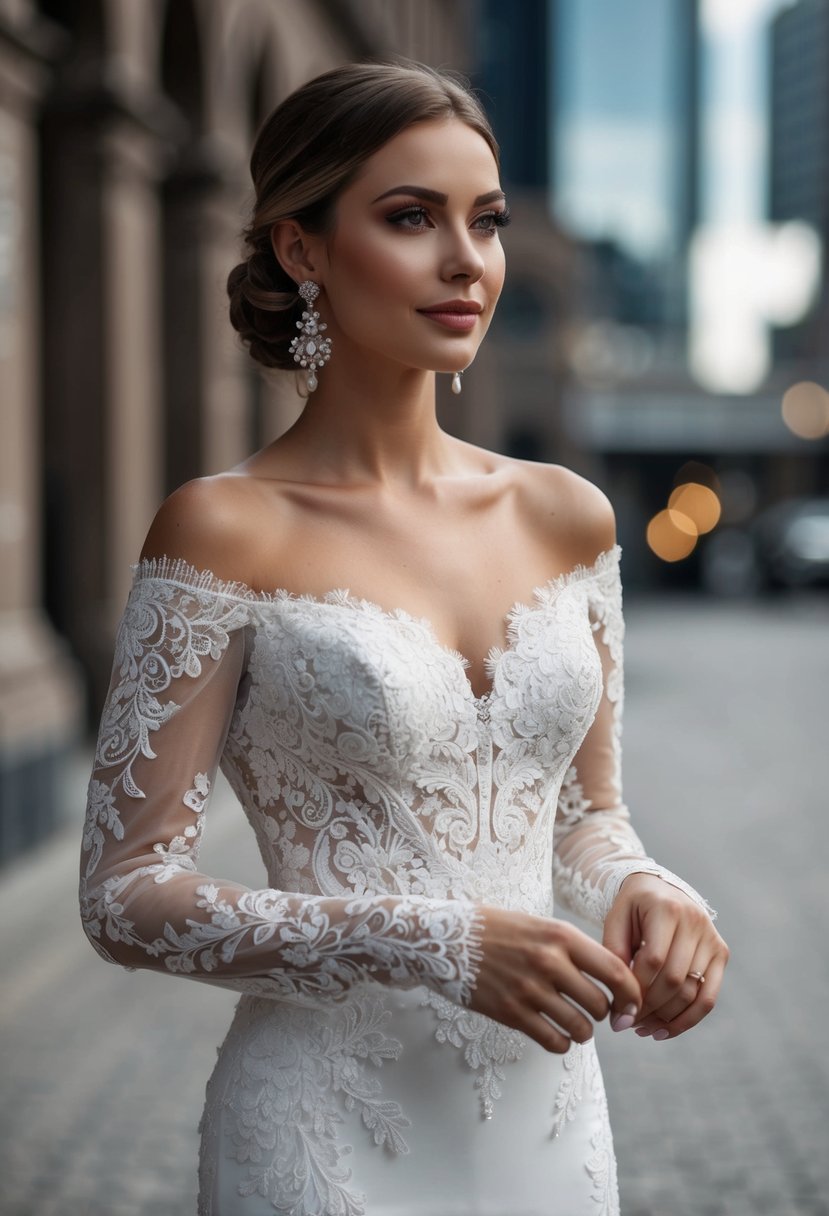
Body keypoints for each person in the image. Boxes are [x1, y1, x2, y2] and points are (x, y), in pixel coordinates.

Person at [79, 59, 728, 1216]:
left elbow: (585, 816)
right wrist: (433, 941)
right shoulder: (223, 526)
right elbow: (125, 893)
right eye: (409, 218)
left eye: (485, 222)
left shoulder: (566, 513)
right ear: (302, 249)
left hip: (548, 1118)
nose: (465, 259)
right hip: (324, 1126)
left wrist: (648, 885)